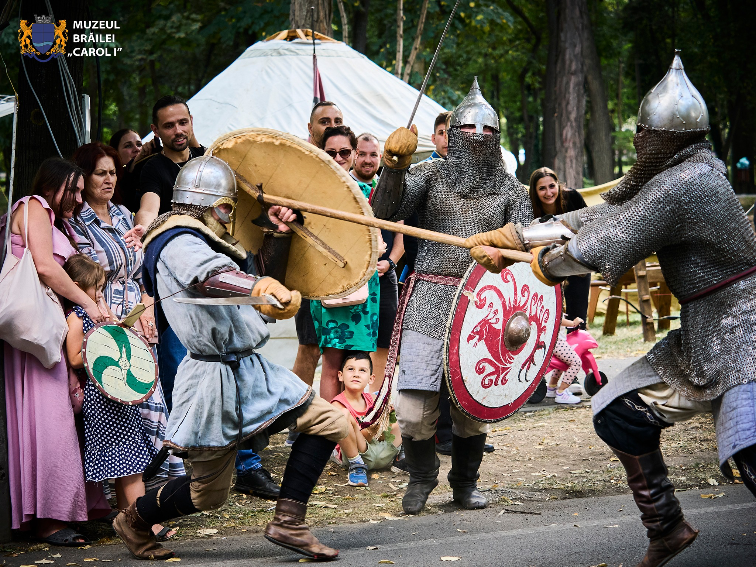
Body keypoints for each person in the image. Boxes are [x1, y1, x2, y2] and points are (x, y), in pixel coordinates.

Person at [466, 53, 756, 567]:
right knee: (619, 412)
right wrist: (513, 235)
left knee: (751, 453)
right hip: (705, 334)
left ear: (661, 137)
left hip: (744, 334)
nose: (640, 142)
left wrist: (538, 264)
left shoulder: (683, 184)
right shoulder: (684, 169)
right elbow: (604, 214)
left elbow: (603, 242)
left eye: (645, 133)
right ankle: (665, 527)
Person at [112, 155, 362, 561]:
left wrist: (275, 250)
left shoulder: (200, 237)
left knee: (330, 419)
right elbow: (210, 277)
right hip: (211, 378)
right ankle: (134, 519)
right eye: (226, 208)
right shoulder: (176, 240)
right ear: (207, 203)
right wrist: (260, 285)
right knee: (207, 495)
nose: (229, 218)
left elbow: (246, 271)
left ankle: (289, 522)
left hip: (249, 367)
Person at [371, 78, 533, 515]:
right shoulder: (430, 175)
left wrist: (508, 246)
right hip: (430, 296)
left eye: (486, 133)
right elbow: (385, 214)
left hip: (484, 306)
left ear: (497, 139)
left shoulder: (513, 192)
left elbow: (528, 250)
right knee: (413, 409)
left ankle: (464, 482)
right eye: (468, 132)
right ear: (453, 137)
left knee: (471, 408)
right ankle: (423, 474)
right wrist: (394, 167)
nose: (477, 140)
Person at [1, 158, 111, 544]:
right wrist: (91, 304)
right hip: (36, 334)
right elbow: (46, 267)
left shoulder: (54, 219)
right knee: (48, 421)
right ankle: (48, 518)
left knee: (66, 415)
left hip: (54, 329)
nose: (79, 198)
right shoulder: (33, 206)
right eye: (75, 189)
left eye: (82, 191)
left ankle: (70, 508)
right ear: (53, 183)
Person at [68, 142, 185, 500]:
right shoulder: (75, 222)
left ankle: (158, 491)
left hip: (139, 311)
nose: (108, 179)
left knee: (152, 397)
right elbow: (81, 277)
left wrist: (148, 305)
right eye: (100, 173)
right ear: (83, 178)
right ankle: (132, 499)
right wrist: (107, 320)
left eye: (113, 172)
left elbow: (143, 266)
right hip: (104, 319)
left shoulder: (122, 213)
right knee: (121, 402)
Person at [62, 254, 174, 540]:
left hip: (119, 397)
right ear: (76, 286)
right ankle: (144, 523)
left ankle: (128, 520)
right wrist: (100, 345)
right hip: (102, 401)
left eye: (102, 288)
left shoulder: (99, 313)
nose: (100, 293)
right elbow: (75, 358)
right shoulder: (76, 317)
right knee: (130, 466)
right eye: (96, 288)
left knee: (131, 462)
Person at [310, 125, 382, 404]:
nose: (338, 158)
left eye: (344, 152)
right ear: (322, 153)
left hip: (364, 284)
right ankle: (330, 437)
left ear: (352, 153)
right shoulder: (313, 190)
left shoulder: (371, 191)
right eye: (331, 152)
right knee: (333, 366)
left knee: (360, 365)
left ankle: (354, 435)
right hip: (330, 284)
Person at [288, 101, 346, 414]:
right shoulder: (302, 167)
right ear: (311, 130)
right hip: (310, 275)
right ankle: (296, 418)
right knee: (310, 349)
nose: (331, 124)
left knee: (345, 354)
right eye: (324, 120)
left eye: (337, 119)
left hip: (347, 275)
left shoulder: (349, 166)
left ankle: (340, 420)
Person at [351, 132, 403, 389]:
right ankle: (350, 415)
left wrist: (390, 263)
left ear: (381, 157)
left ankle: (378, 407)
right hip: (353, 280)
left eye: (373, 154)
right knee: (352, 351)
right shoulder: (345, 189)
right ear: (354, 155)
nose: (368, 160)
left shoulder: (392, 191)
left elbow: (400, 243)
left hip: (385, 279)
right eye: (362, 154)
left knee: (383, 344)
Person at [528, 167, 589, 331]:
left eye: (552, 186)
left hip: (576, 263)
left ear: (558, 185)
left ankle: (577, 351)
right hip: (545, 265)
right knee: (549, 317)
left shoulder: (573, 198)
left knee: (577, 316)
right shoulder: (529, 208)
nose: (548, 192)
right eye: (542, 188)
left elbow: (588, 226)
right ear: (535, 191)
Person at [331, 351, 402, 472]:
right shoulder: (337, 404)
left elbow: (382, 435)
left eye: (362, 370)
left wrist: (388, 413)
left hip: (381, 451)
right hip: (357, 454)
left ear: (371, 378)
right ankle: (357, 466)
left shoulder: (373, 399)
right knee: (345, 416)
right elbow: (359, 436)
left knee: (403, 414)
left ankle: (402, 456)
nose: (356, 374)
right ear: (340, 375)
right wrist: (374, 427)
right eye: (351, 369)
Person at [546, 315, 584, 404]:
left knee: (563, 362)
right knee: (576, 362)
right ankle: (562, 393)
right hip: (557, 341)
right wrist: (573, 323)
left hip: (554, 339)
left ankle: (552, 387)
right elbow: (556, 318)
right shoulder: (552, 301)